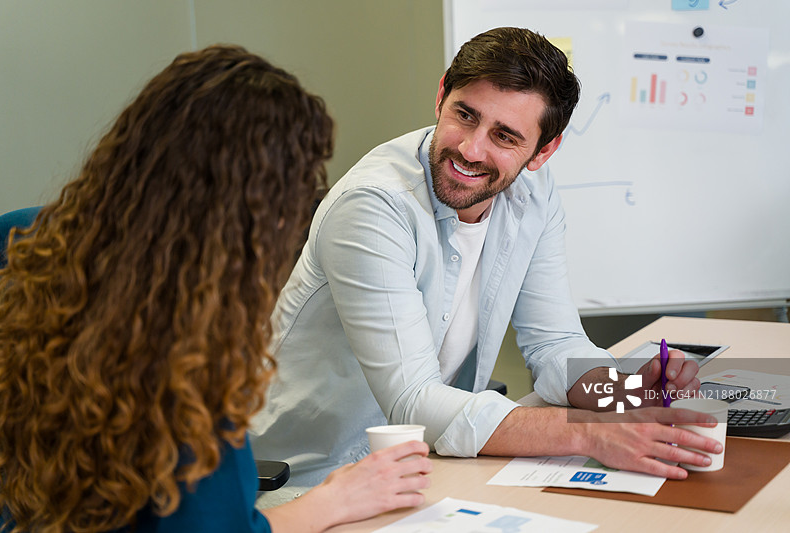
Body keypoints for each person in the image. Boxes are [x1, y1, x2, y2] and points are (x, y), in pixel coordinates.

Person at [250, 26, 722, 505]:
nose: (471, 150)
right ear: (441, 96)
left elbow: (555, 342)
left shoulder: (533, 193)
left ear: (544, 151)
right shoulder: (373, 206)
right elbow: (413, 400)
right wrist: (591, 432)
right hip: (306, 482)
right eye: (465, 115)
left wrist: (622, 394)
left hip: (421, 469)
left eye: (504, 136)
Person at [0, 45, 431, 533]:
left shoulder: (48, 288)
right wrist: (338, 502)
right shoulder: (183, 371)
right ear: (253, 215)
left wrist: (334, 500)